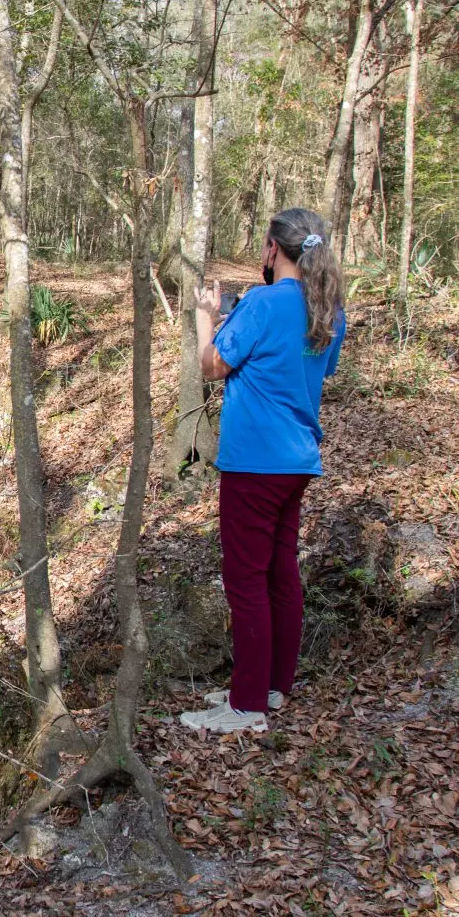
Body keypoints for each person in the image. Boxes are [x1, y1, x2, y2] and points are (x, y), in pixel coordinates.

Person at [179, 207, 346, 734]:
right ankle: (272, 685)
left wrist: (207, 317)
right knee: (280, 571)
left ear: (273, 249)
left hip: (255, 462)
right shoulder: (329, 310)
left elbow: (212, 367)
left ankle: (246, 704)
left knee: (245, 578)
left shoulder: (261, 303)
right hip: (297, 461)